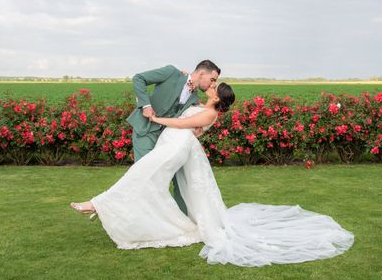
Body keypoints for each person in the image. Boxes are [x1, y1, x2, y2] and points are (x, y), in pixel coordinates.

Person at [71, 83, 355, 267]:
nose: (211, 87)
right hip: (170, 143)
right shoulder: (202, 103)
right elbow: (185, 108)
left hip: (175, 147)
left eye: (215, 86)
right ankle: (111, 208)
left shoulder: (210, 115)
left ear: (218, 97)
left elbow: (183, 123)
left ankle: (98, 204)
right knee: (143, 178)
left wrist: (156, 119)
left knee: (141, 175)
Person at [126, 60, 220, 214]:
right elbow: (138, 78)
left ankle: (180, 219)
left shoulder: (195, 98)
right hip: (146, 130)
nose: (212, 85)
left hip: (167, 139)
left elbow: (195, 117)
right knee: (144, 175)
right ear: (202, 73)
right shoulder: (171, 73)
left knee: (179, 177)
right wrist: (146, 105)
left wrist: (199, 129)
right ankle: (142, 217)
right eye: (212, 79)